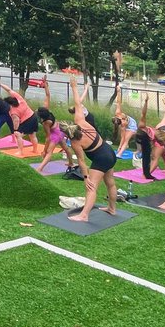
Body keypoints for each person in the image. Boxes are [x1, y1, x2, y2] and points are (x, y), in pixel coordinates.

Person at [66, 76, 118, 222]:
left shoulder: (75, 142)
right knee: (110, 182)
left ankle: (84, 215)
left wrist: (86, 177)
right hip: (109, 152)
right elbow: (78, 103)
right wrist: (74, 87)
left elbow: (82, 161)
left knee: (91, 187)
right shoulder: (82, 122)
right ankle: (112, 209)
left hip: (101, 158)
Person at [35, 81, 77, 173]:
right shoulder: (47, 110)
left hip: (56, 133)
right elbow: (48, 96)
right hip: (60, 129)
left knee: (49, 152)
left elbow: (48, 137)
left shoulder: (46, 122)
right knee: (65, 148)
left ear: (42, 116)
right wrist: (45, 85)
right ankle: (71, 163)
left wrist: (44, 150)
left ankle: (40, 168)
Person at [0, 76, 36, 155]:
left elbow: (16, 121)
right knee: (32, 135)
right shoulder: (19, 98)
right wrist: (0, 84)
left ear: (10, 104)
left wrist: (15, 130)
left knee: (18, 135)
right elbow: (9, 90)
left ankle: (20, 151)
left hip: (27, 120)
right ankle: (35, 150)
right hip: (33, 116)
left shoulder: (13, 111)